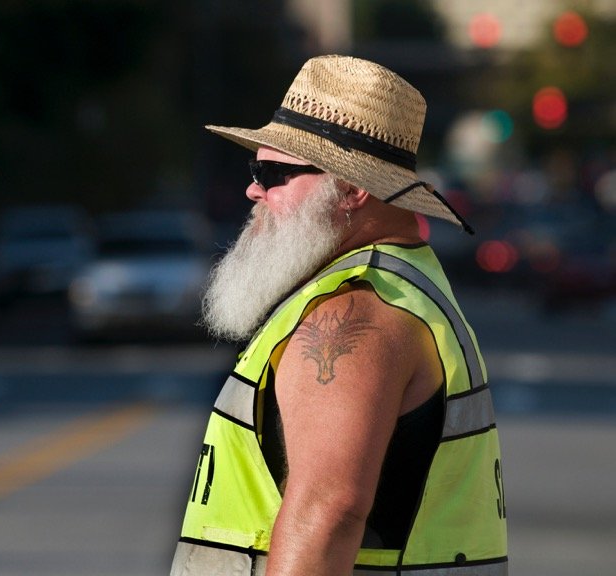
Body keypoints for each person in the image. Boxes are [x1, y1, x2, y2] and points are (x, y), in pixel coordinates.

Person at [170, 55, 508, 576]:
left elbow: (329, 514)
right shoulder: (397, 284)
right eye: (254, 170)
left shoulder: (358, 310)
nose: (253, 189)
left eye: (274, 173)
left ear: (352, 189)